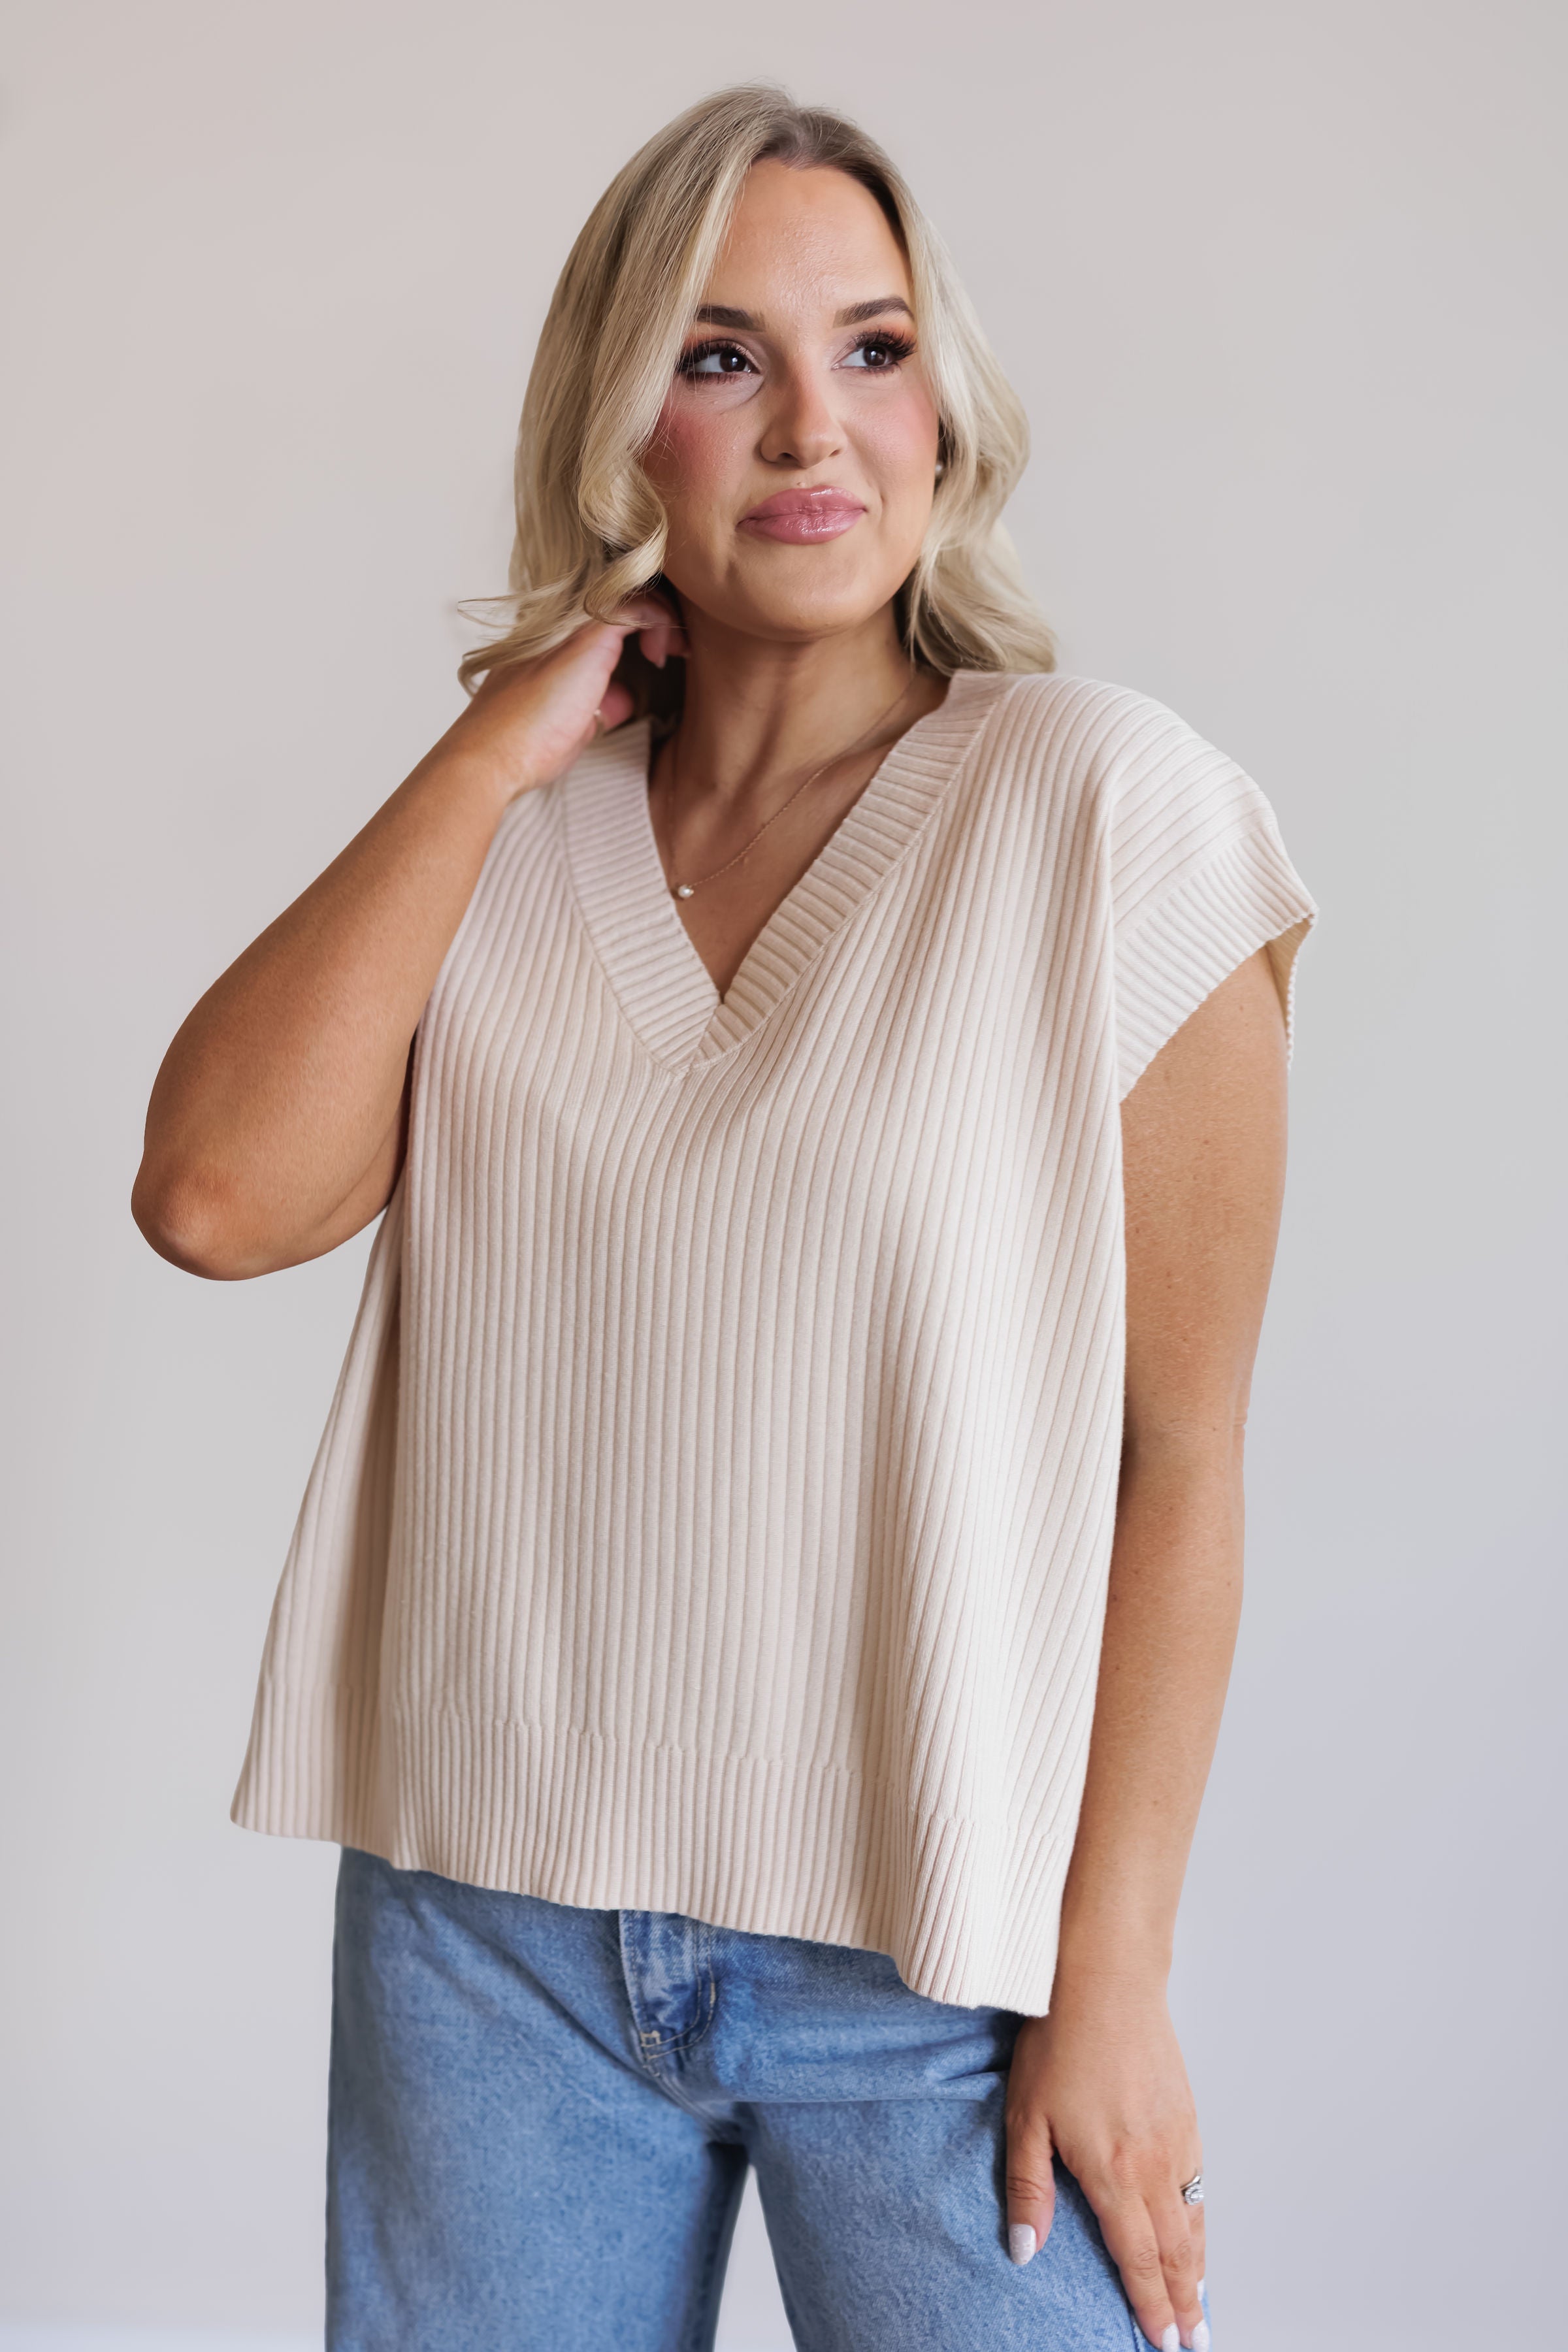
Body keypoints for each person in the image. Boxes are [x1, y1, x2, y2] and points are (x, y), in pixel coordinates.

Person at [133, 84, 1314, 2352]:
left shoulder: (1107, 814)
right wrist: (492, 751)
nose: (810, 426)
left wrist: (1117, 1978)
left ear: (947, 412)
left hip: (936, 1961)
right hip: (487, 1933)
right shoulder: (509, 840)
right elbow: (210, 1195)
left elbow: (1180, 1457)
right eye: (718, 356)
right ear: (622, 426)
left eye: (873, 349)